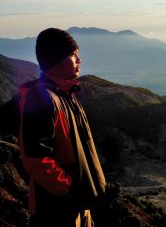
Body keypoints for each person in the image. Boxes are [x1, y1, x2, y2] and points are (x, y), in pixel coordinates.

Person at [18, 28, 106, 227]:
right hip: (56, 211)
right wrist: (70, 189)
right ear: (56, 59)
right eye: (73, 55)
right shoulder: (41, 99)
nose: (79, 60)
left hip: (76, 206)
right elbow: (36, 159)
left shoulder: (65, 95)